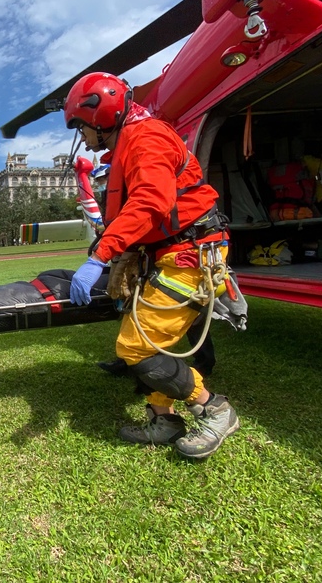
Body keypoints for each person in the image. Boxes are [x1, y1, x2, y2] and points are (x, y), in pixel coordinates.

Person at [64, 73, 239, 459]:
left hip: (190, 256)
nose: (84, 137)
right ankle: (165, 419)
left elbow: (150, 203)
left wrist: (100, 256)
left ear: (102, 116)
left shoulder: (146, 139)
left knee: (136, 347)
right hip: (173, 254)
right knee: (154, 342)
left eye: (81, 127)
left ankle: (215, 409)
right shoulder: (132, 142)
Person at [88, 165, 218, 379]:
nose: (105, 182)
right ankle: (130, 362)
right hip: (140, 254)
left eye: (107, 178)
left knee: (189, 309)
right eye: (102, 180)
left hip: (170, 251)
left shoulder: (140, 185)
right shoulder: (110, 196)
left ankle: (204, 361)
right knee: (135, 306)